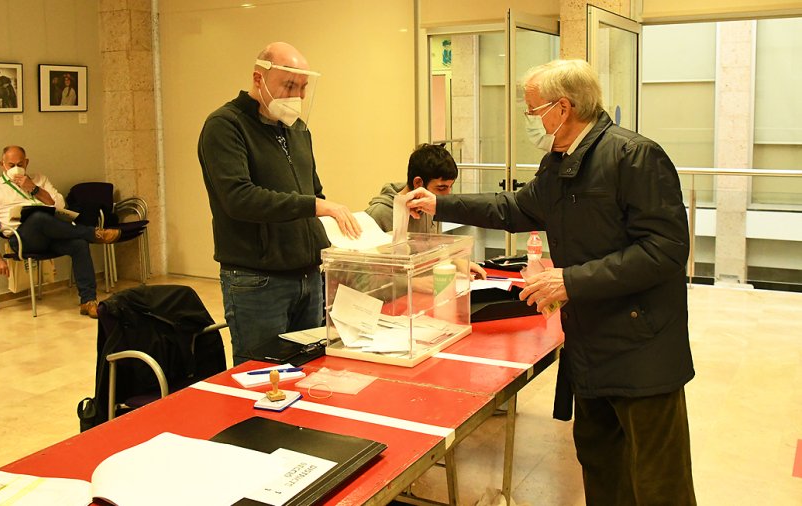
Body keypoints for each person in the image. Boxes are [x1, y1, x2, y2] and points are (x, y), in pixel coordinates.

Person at [406, 59, 696, 505]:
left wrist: (571, 281)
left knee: (658, 484)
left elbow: (666, 250)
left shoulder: (633, 156)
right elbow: (513, 209)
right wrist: (439, 205)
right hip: (591, 344)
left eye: (531, 111)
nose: (529, 121)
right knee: (601, 467)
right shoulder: (559, 163)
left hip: (642, 349)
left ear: (562, 108)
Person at [198, 42, 361, 366]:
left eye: (302, 88)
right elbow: (239, 198)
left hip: (308, 276)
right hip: (257, 280)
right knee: (264, 375)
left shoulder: (298, 130)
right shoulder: (225, 126)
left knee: (311, 368)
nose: (296, 96)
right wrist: (315, 206)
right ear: (259, 79)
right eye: (288, 86)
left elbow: (313, 191)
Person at [0, 146, 121, 318]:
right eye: (11, 165)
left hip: (51, 235)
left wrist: (34, 189)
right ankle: (93, 234)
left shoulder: (40, 179)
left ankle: (88, 301)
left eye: (20, 164)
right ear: (2, 165)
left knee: (79, 245)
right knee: (38, 217)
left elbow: (58, 205)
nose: (16, 168)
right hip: (22, 239)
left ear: (27, 162)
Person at [366, 143, 486, 279]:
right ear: (418, 183)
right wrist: (413, 285)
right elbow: (365, 278)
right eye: (441, 188)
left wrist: (456, 261)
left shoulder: (430, 209)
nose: (447, 195)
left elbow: (432, 251)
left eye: (450, 187)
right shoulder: (378, 214)